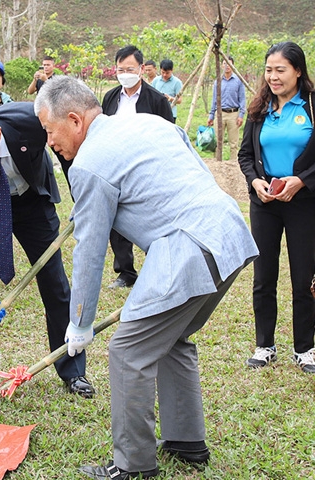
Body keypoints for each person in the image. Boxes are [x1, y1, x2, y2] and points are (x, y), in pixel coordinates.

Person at [35, 76, 257, 479]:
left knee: (127, 353)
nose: (50, 142)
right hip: (228, 233)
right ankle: (187, 442)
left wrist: (79, 322)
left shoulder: (88, 164)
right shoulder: (152, 122)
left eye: (50, 131)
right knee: (170, 339)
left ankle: (133, 465)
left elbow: (89, 250)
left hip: (186, 248)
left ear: (74, 120)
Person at [0, 98, 94, 415]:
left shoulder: (31, 120)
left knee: (55, 283)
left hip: (31, 202)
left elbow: (70, 149)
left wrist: (82, 196)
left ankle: (72, 370)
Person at [237, 42, 315, 374]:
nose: (273, 76)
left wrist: (302, 180)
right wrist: (255, 182)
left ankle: (306, 348)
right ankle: (265, 345)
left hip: (304, 203)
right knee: (263, 275)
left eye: (280, 70)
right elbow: (245, 156)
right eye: (269, 70)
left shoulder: (311, 106)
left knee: (304, 277)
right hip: (266, 203)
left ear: (298, 71)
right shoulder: (259, 109)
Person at [100, 46, 174, 290]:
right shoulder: (111, 98)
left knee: (152, 219)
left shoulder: (156, 100)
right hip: (116, 168)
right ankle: (126, 272)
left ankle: (162, 269)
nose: (125, 74)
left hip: (148, 169)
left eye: (130, 69)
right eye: (120, 70)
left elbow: (168, 135)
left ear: (141, 70)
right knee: (117, 220)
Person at [208, 56, 247, 160]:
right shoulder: (218, 81)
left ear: (233, 66)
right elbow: (214, 99)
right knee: (217, 140)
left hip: (233, 114)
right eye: (224, 64)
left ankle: (233, 163)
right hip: (220, 113)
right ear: (221, 65)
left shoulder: (238, 81)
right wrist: (211, 115)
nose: (227, 66)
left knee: (233, 142)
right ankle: (217, 162)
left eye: (229, 64)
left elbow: (242, 99)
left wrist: (241, 115)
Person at [151, 59, 183, 123]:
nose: (165, 75)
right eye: (163, 72)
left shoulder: (177, 82)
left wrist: (169, 98)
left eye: (167, 73)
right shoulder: (156, 80)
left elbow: (179, 100)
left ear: (172, 70)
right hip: (157, 113)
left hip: (170, 113)